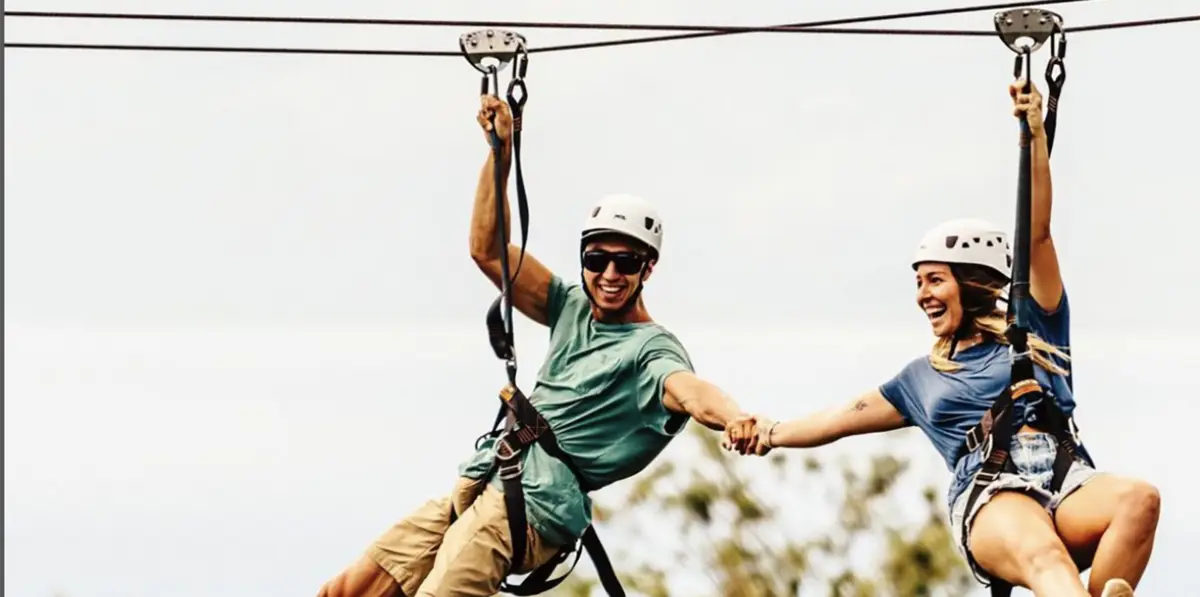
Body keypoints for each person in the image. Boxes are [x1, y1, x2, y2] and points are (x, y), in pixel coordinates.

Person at [722, 80, 1160, 597]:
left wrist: (1035, 135)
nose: (922, 296)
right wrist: (767, 432)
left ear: (971, 283)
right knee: (1042, 555)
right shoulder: (920, 380)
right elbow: (838, 420)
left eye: (934, 280)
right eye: (919, 283)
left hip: (1067, 481)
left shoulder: (1038, 331)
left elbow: (1037, 233)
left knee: (1139, 499)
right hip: (992, 495)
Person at [316, 94, 765, 597]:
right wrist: (500, 154)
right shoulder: (570, 307)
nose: (610, 274)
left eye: (626, 262)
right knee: (346, 591)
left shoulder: (651, 351)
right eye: (597, 259)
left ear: (648, 269)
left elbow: (690, 391)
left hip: (533, 505)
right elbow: (488, 250)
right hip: (488, 476)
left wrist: (735, 418)